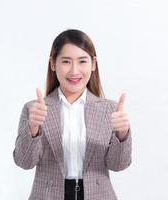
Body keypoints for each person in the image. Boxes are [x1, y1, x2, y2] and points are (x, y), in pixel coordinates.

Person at [13, 29, 132, 200]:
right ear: (53, 64)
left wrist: (122, 135)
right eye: (66, 61)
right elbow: (24, 162)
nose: (74, 71)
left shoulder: (111, 110)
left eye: (82, 61)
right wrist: (33, 129)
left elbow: (118, 165)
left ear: (93, 64)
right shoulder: (34, 109)